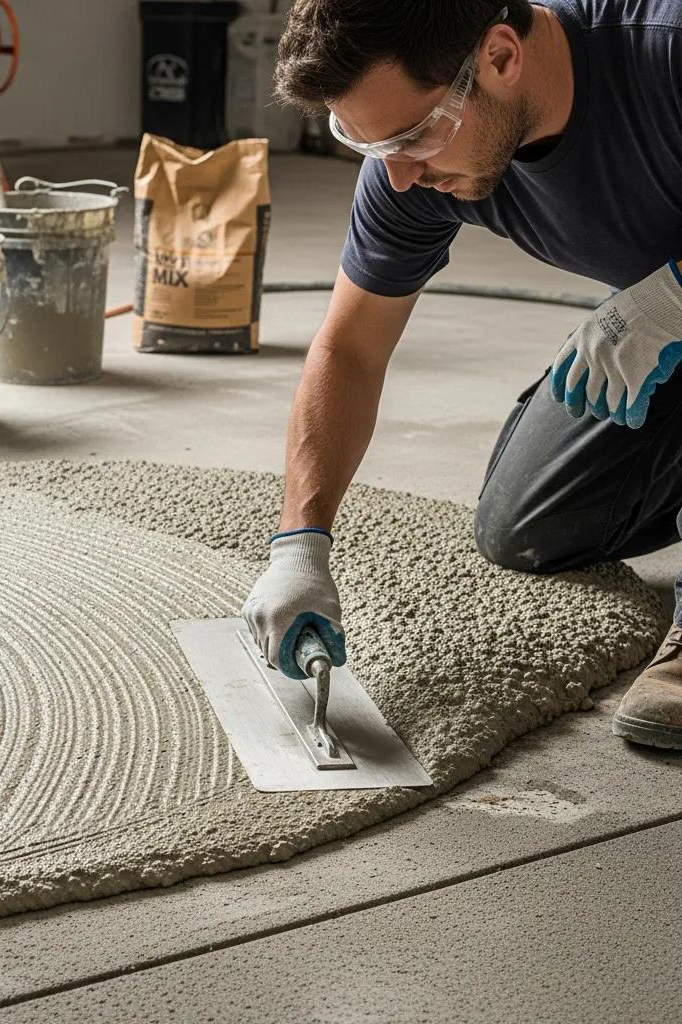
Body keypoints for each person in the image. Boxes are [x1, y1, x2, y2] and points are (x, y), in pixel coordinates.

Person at [242, 0, 682, 749]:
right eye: (368, 143)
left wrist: (671, 296)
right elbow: (350, 351)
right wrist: (300, 543)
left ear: (501, 58)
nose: (400, 174)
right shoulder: (409, 172)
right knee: (530, 526)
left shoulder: (665, 50)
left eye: (413, 136)